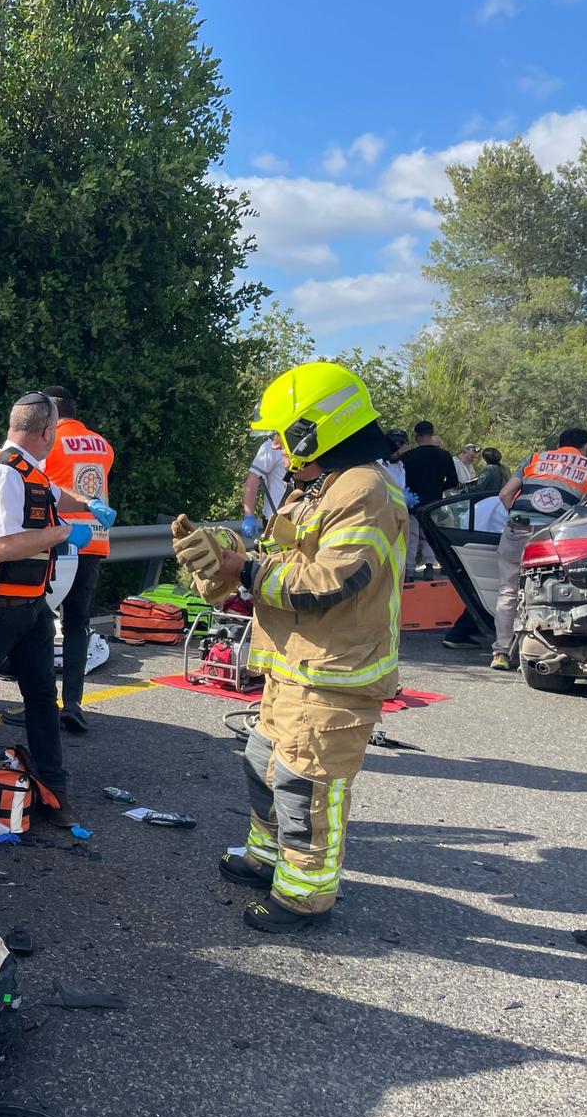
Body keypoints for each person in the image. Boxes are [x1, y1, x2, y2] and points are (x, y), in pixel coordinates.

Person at [172, 362, 405, 934]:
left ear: (314, 431)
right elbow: (285, 555)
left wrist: (242, 569)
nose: (277, 446)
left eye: (282, 435)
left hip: (334, 674)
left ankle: (304, 897)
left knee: (307, 787)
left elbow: (330, 580)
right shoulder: (322, 487)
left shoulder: (365, 491)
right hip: (294, 667)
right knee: (265, 765)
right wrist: (226, 552)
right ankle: (267, 859)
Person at [0, 392, 85, 821]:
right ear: (47, 431)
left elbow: (55, 496)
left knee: (43, 698)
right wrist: (63, 533)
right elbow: (3, 546)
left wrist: (89, 506)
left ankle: (54, 789)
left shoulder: (28, 470)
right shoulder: (4, 476)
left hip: (31, 606)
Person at [35, 384, 116, 731]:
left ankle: (39, 703)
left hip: (59, 542)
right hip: (94, 541)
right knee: (77, 624)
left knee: (39, 621)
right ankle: (73, 703)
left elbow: (36, 484)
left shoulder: (50, 441)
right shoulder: (102, 444)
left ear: (51, 413)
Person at [488, 428, 587, 671]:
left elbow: (505, 493)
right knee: (544, 592)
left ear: (558, 445)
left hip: (517, 527)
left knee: (508, 590)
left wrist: (516, 517)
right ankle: (531, 654)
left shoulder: (535, 459)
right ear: (585, 447)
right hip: (552, 535)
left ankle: (500, 653)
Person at [441, 492, 510, 650]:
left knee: (484, 594)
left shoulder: (484, 503)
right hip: (503, 552)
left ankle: (460, 632)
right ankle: (460, 632)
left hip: (480, 549)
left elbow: (464, 522)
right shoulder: (518, 505)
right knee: (504, 594)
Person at [400, 421, 458, 577]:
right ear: (432, 434)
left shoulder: (408, 457)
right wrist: (438, 487)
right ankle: (429, 565)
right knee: (429, 536)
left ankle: (409, 570)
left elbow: (402, 479)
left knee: (411, 537)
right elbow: (453, 481)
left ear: (416, 435)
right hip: (434, 502)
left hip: (413, 502)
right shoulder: (444, 456)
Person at [242, 434, 289, 539]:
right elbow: (252, 482)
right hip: (275, 520)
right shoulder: (270, 447)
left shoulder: (305, 443)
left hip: (301, 514)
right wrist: (249, 515)